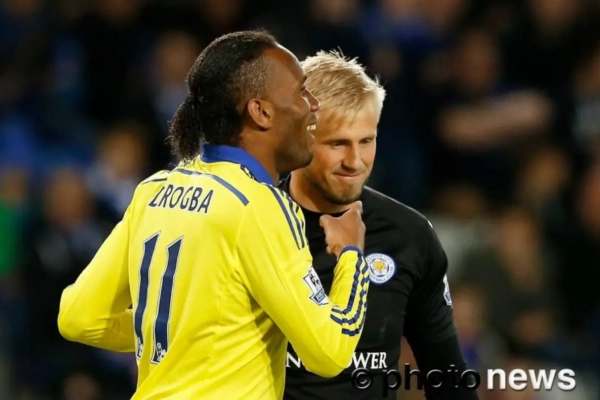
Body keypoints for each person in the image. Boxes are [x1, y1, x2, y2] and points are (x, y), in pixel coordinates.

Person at [57, 31, 371, 400]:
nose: (314, 105)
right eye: (302, 91)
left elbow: (79, 317)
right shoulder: (257, 206)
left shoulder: (154, 191)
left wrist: (185, 334)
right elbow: (329, 351)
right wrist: (351, 255)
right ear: (261, 111)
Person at [281, 51, 479, 400]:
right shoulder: (250, 224)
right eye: (338, 143)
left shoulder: (409, 235)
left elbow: (448, 378)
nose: (355, 162)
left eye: (366, 141)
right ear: (299, 136)